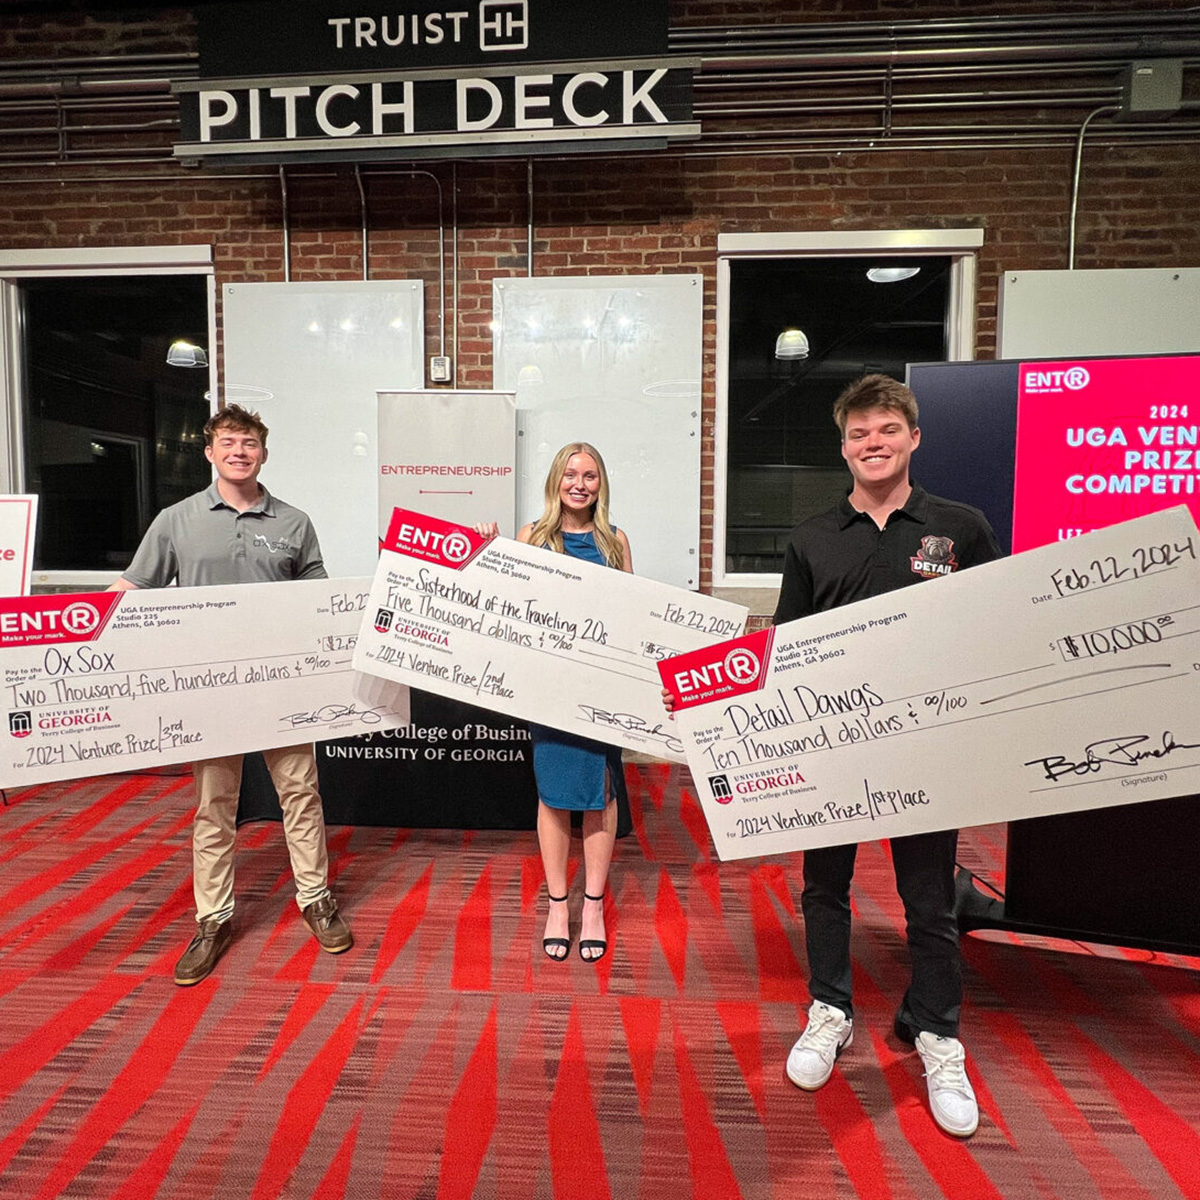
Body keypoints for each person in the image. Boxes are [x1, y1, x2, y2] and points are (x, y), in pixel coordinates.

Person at [772, 374, 1001, 1137]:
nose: (874, 443)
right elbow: (785, 651)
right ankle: (829, 1008)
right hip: (833, 752)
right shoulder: (809, 539)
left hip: (925, 748)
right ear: (843, 448)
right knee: (824, 887)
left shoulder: (960, 528)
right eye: (860, 433)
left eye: (887, 430)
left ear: (914, 439)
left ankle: (937, 1032)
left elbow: (994, 630)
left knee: (929, 899)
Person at [111, 404, 352, 986]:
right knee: (215, 805)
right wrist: (56, 626)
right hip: (211, 691)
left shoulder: (294, 522)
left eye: (249, 443)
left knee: (300, 792)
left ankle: (315, 898)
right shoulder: (177, 520)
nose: (239, 451)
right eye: (228, 442)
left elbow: (316, 602)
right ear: (210, 452)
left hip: (280, 688)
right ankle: (213, 918)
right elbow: (131, 589)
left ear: (263, 453)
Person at [478, 442, 632, 963]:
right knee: (553, 794)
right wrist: (491, 560)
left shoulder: (615, 543)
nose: (580, 484)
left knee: (600, 794)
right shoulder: (531, 537)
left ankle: (592, 906)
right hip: (549, 691)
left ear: (601, 484)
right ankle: (558, 905)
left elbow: (630, 619)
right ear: (556, 480)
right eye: (571, 474)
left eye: (590, 475)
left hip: (599, 691)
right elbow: (510, 609)